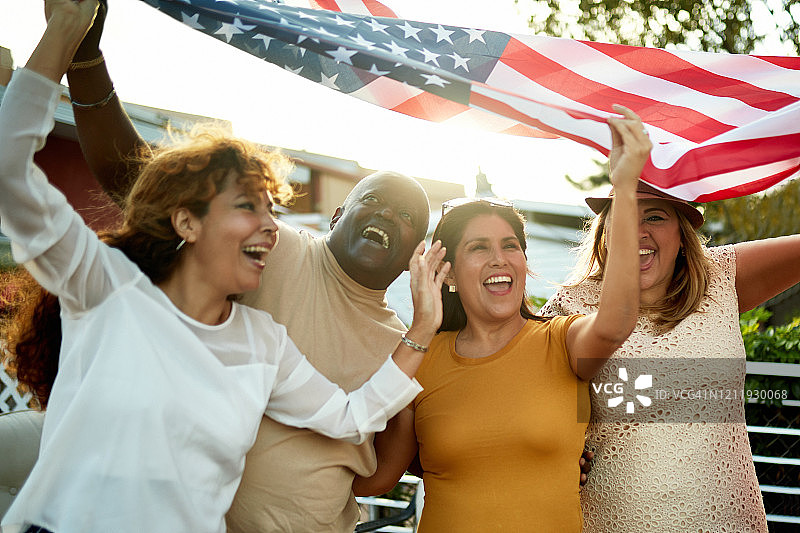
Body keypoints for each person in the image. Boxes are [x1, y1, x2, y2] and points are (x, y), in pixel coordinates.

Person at [0, 3, 450, 532]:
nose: (268, 226)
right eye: (248, 207)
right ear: (184, 222)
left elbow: (351, 417)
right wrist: (68, 38)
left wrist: (422, 329)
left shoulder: (262, 342)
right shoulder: (105, 287)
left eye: (269, 209)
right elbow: (18, 170)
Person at [352, 106, 650, 531]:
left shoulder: (561, 342)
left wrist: (624, 187)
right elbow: (377, 477)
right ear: (448, 272)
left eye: (510, 245)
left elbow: (618, 319)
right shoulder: (420, 356)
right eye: (478, 247)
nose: (499, 259)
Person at [539, 175, 800, 531]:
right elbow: (528, 405)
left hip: (730, 521)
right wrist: (559, 457)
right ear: (605, 235)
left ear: (681, 235)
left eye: (655, 217)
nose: (638, 232)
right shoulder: (569, 306)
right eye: (626, 217)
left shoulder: (720, 278)